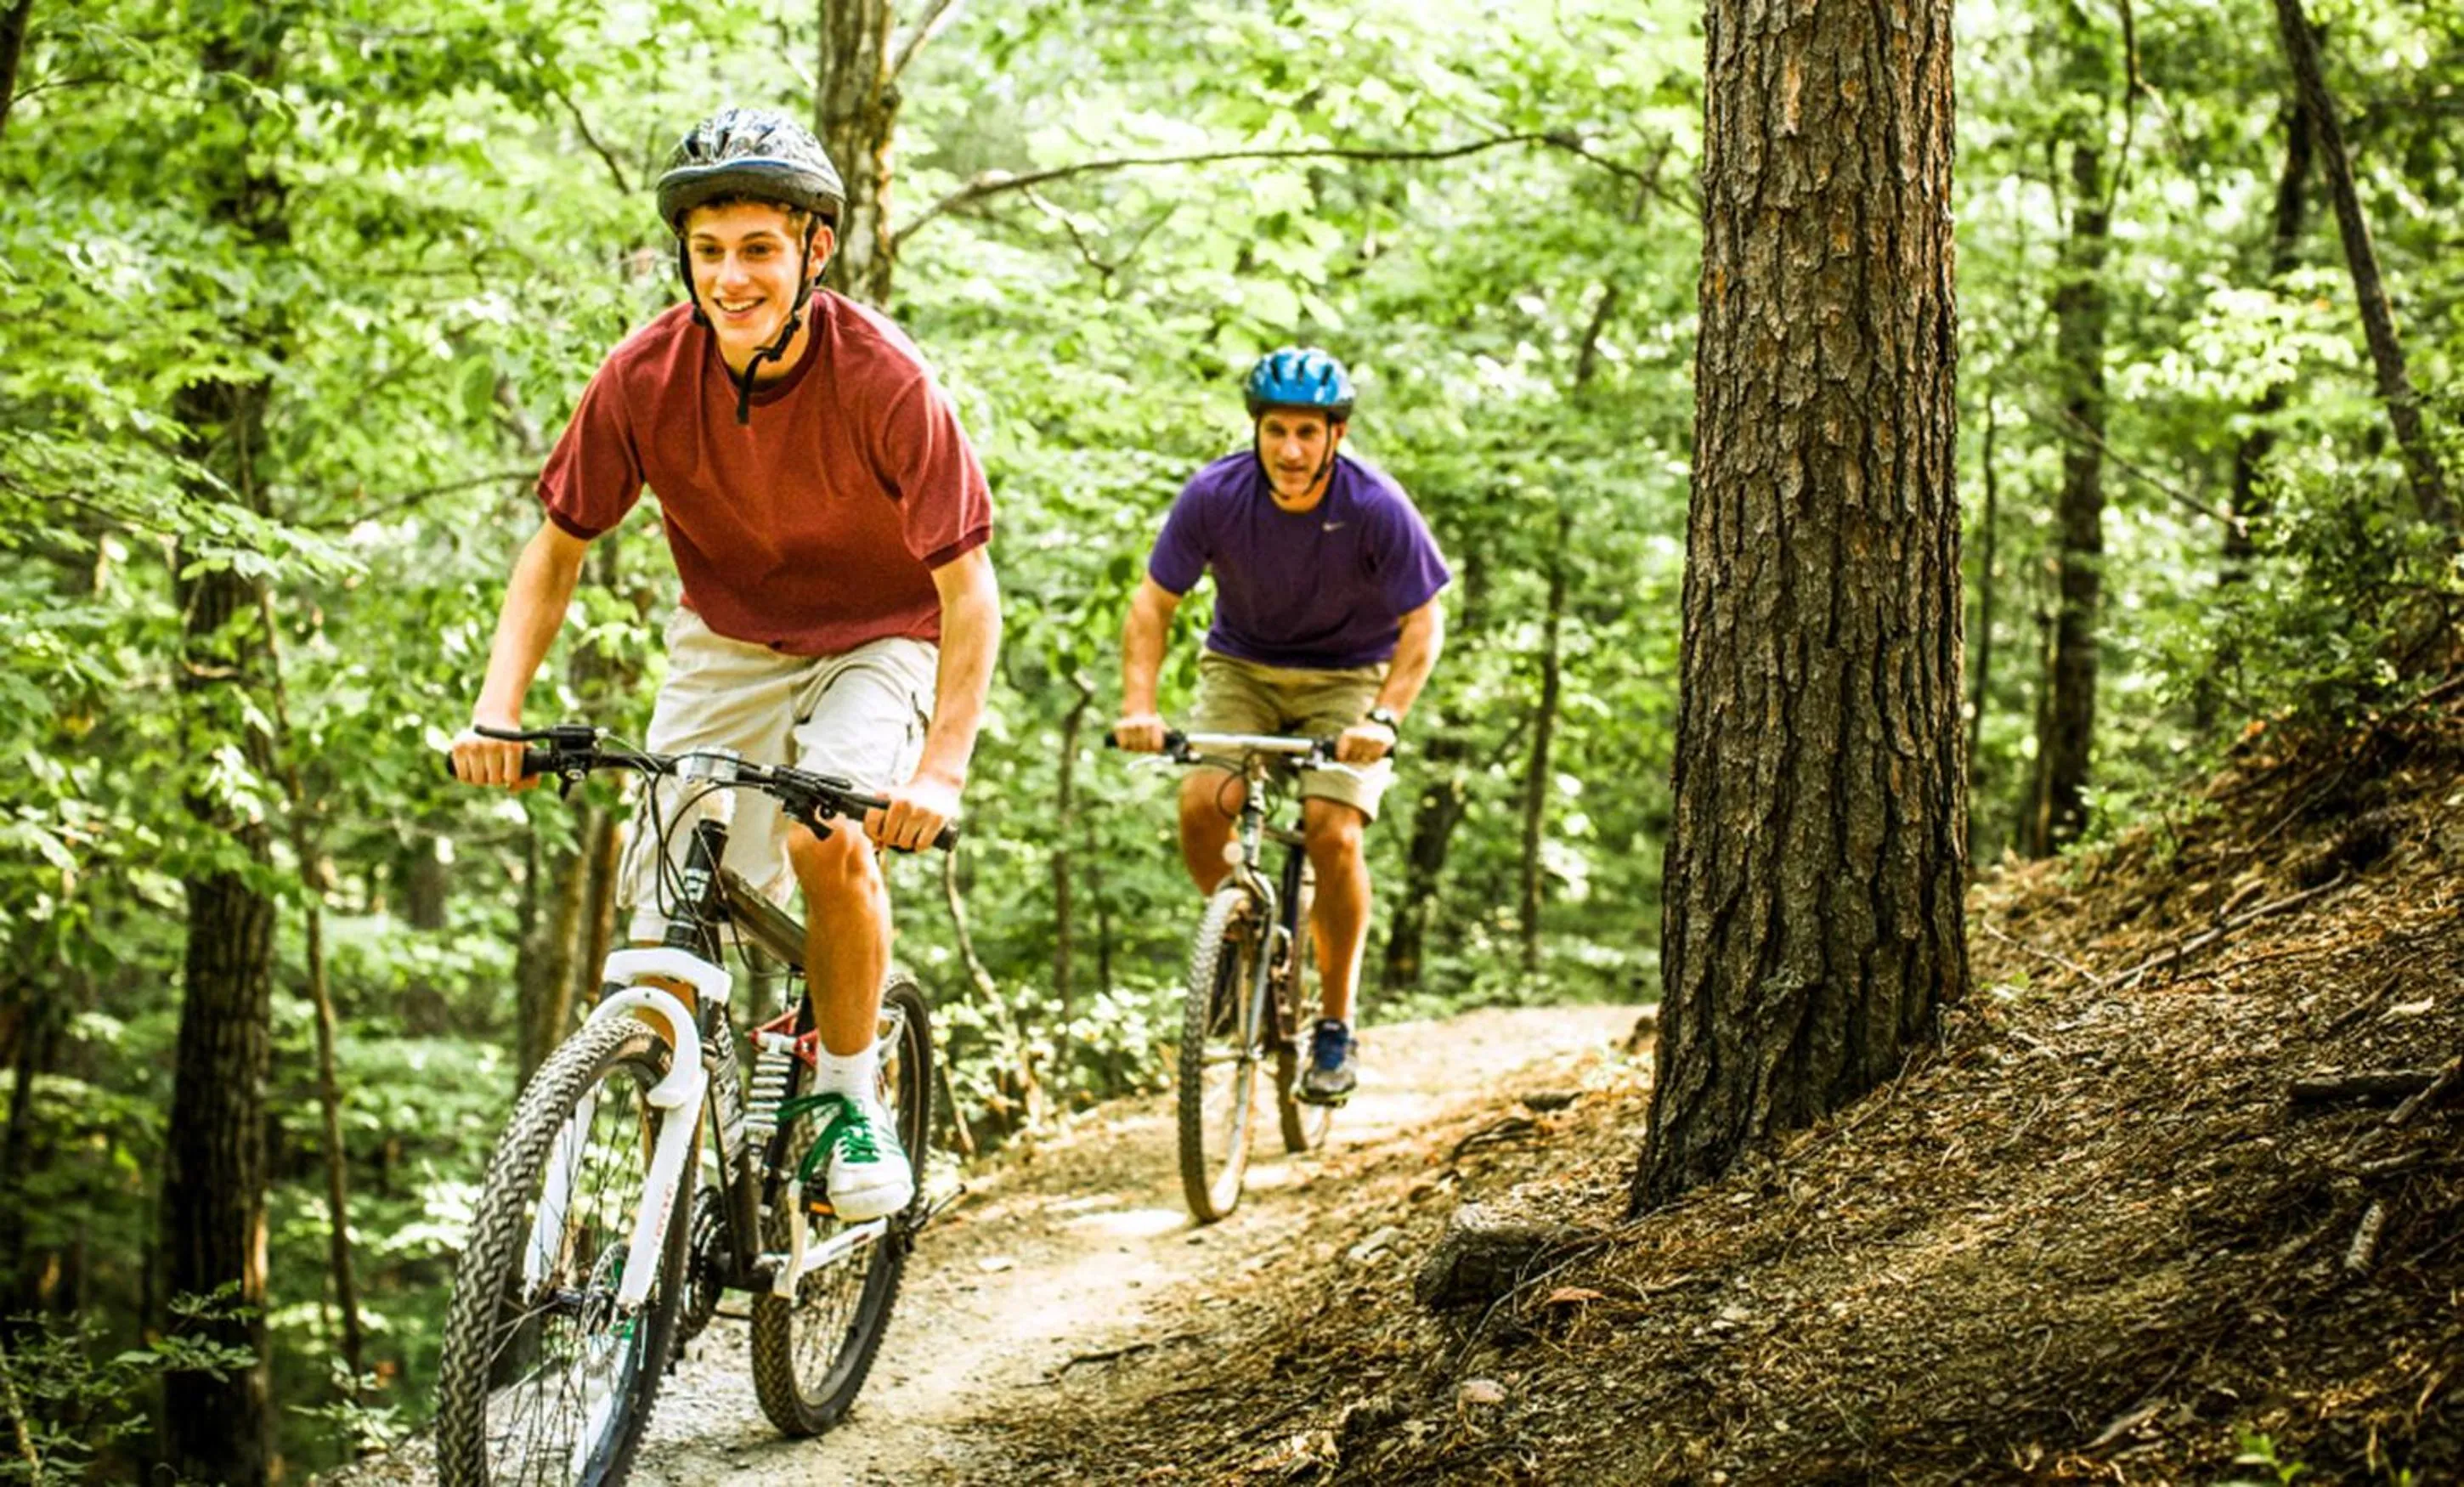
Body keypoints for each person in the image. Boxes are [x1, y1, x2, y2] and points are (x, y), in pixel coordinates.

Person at [449, 106, 999, 1222]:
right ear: (683, 256)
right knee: (664, 908)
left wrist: (939, 771)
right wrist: (497, 711)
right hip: (725, 641)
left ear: (814, 249)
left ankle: (848, 1088)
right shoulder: (647, 375)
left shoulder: (884, 379)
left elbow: (966, 588)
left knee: (824, 829)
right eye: (710, 251)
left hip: (879, 636)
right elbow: (555, 553)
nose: (732, 277)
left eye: (759, 248)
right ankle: (649, 1205)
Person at [1112, 348, 1448, 1102]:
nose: (1290, 450)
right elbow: (1152, 605)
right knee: (1203, 806)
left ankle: (1335, 1023)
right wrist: (1140, 706)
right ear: (1256, 431)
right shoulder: (1216, 495)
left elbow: (1423, 622)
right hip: (1245, 671)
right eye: (1276, 431)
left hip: (1350, 679)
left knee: (1334, 829)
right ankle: (1243, 941)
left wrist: (1386, 719)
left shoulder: (1374, 506)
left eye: (1307, 432)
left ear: (1335, 435)